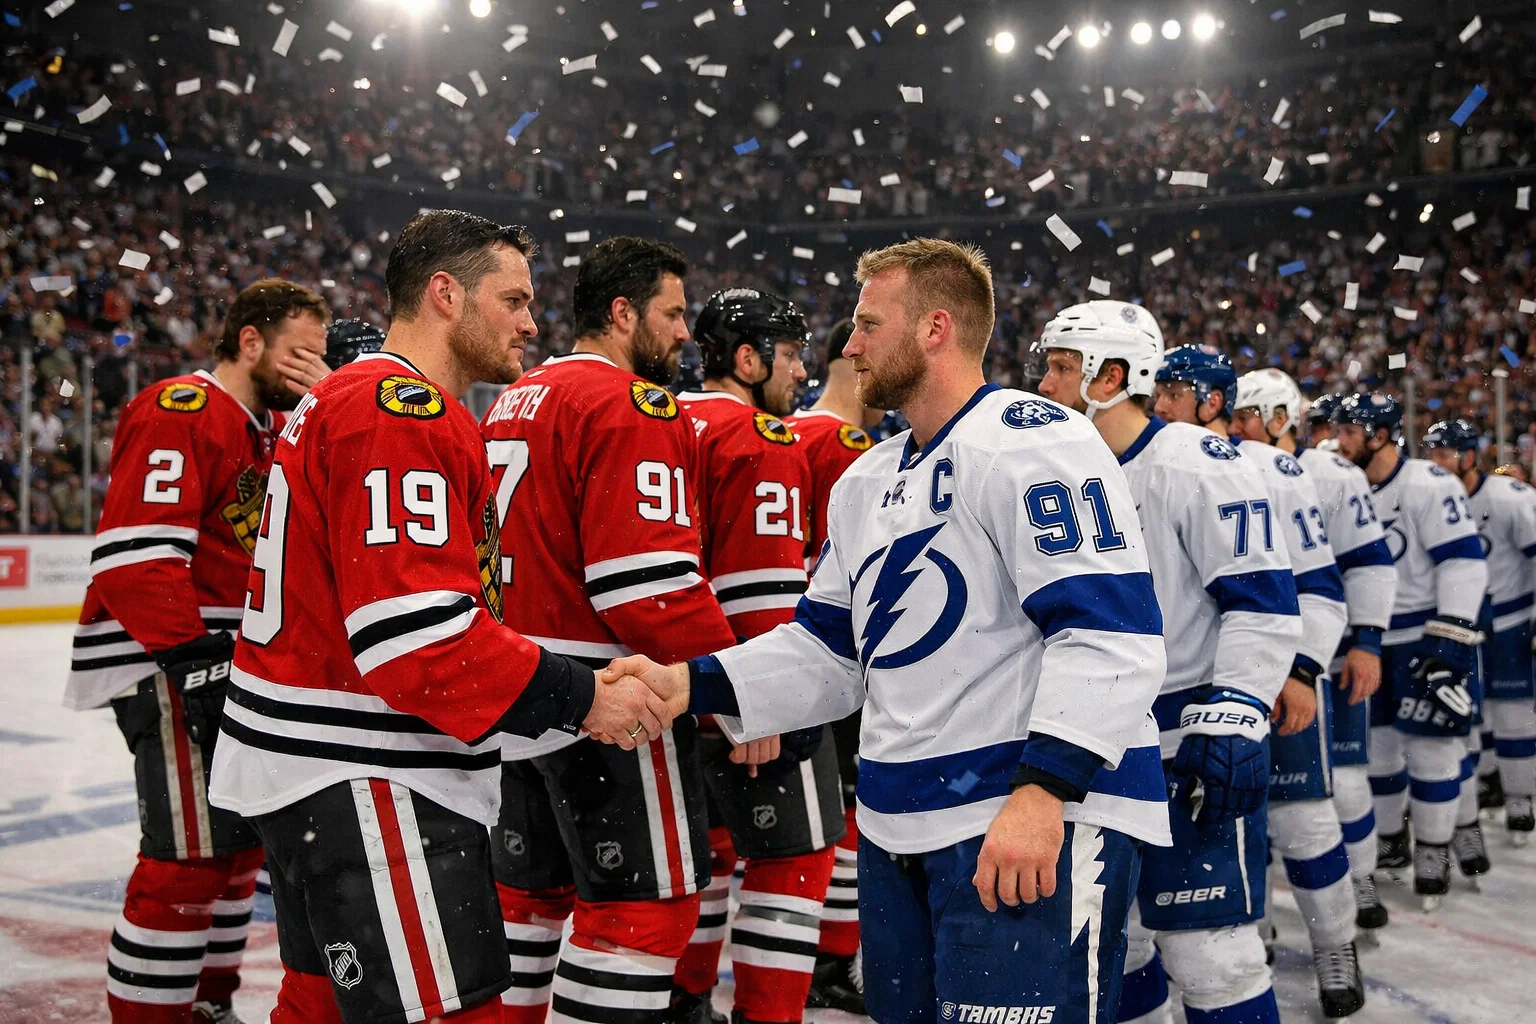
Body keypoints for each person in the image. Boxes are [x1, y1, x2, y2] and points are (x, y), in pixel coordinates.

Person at [608, 242, 1170, 1024]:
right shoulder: (869, 477)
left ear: (935, 328)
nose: (852, 345)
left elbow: (1109, 631)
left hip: (1023, 812)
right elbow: (828, 651)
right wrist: (690, 682)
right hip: (900, 823)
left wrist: (1046, 790)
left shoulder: (1035, 439)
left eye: (869, 323)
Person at [208, 212, 676, 1023]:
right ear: (446, 294)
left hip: (311, 770)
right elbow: (416, 638)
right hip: (366, 776)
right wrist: (583, 697)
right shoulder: (398, 409)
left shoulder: (354, 400)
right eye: (515, 299)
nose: (533, 321)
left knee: (314, 1009)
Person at [479, 236, 739, 1024]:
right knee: (643, 912)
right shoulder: (630, 403)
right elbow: (648, 587)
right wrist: (740, 691)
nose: (686, 333)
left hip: (520, 691)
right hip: (611, 702)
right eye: (673, 312)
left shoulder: (512, 400)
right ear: (623, 314)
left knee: (530, 907)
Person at [63, 278, 330, 1024]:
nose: (311, 370)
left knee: (239, 852)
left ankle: (206, 1006)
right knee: (187, 859)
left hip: (227, 659)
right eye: (300, 353)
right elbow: (134, 559)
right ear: (250, 341)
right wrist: (193, 657)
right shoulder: (183, 409)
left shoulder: (268, 423)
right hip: (170, 661)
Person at [1032, 302, 1301, 1024]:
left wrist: (1238, 710)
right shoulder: (1053, 468)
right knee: (1115, 949)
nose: (1045, 385)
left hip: (1184, 732)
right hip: (1097, 740)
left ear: (1112, 376)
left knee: (1211, 952)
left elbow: (1262, 598)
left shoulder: (1191, 459)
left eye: (1062, 368)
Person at [674, 288, 847, 1024]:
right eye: (789, 353)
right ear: (746, 358)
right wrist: (767, 695)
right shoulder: (762, 437)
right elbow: (765, 586)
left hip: (674, 681)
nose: (802, 371)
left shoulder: (668, 420)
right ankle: (767, 1016)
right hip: (743, 681)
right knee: (796, 860)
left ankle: (685, 1001)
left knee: (708, 855)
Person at [1216, 365, 1357, 1019]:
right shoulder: (1181, 462)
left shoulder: (1292, 473)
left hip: (1277, 673)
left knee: (1303, 820)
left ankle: (1335, 944)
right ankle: (1255, 930)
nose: (1241, 429)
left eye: (1250, 417)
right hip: (1212, 679)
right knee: (1229, 824)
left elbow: (1328, 580)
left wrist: (1305, 668)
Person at [1333, 394, 1489, 911]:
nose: (1341, 439)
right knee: (1376, 754)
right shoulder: (1343, 483)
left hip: (1423, 633)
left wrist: (1452, 633)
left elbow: (1463, 561)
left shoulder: (1427, 482)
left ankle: (1436, 849)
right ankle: (1391, 837)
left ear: (1379, 434)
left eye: (1351, 430)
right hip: (1367, 642)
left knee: (1433, 751)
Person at [782, 318, 884, 1014]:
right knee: (844, 817)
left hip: (786, 653)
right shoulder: (848, 446)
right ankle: (834, 956)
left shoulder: (787, 435)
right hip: (833, 653)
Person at [1274, 382, 1399, 932]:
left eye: (1351, 430)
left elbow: (1367, 562)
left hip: (1327, 649)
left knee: (1341, 780)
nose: (1341, 441)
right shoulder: (1211, 465)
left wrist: (1367, 642)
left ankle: (1360, 882)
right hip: (1257, 658)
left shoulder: (1330, 475)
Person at [1422, 419, 1536, 851]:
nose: (1436, 461)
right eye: (1431, 452)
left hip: (1510, 620)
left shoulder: (1508, 497)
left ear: (1469, 457)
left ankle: (1521, 798)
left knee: (1511, 713)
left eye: (1444, 453)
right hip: (1460, 625)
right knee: (1470, 716)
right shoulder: (1431, 496)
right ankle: (1489, 782)